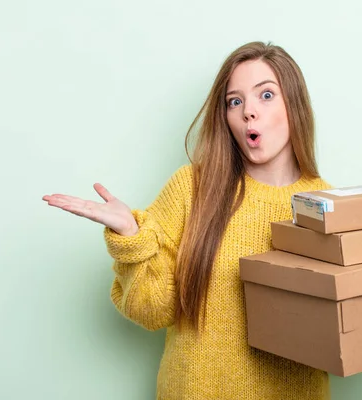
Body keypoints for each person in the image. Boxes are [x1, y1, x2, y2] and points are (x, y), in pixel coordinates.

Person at [42, 41, 333, 400]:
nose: (248, 113)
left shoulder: (325, 205)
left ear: (295, 105)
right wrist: (132, 236)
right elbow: (151, 311)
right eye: (235, 101)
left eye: (266, 95)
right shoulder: (192, 188)